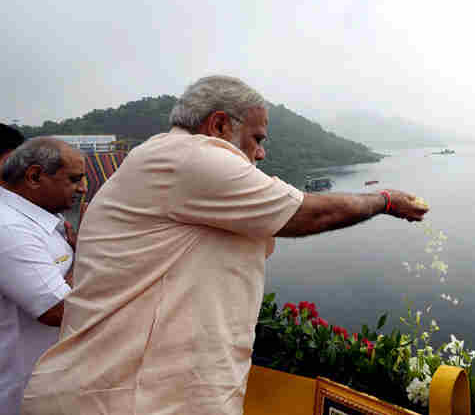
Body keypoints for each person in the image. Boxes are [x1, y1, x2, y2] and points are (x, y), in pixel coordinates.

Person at [23, 75, 428, 415]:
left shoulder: (162, 162)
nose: (262, 152)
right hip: (125, 398)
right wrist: (385, 201)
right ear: (218, 126)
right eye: (256, 137)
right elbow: (308, 214)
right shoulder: (189, 157)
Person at [0, 138, 87, 414]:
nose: (83, 188)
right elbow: (57, 310)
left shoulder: (45, 218)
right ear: (35, 176)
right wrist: (87, 253)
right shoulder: (9, 229)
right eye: (74, 180)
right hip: (20, 393)